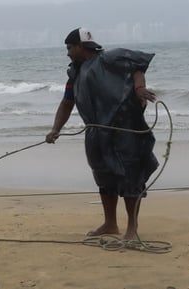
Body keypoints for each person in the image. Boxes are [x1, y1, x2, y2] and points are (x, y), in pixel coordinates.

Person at [46, 27, 158, 241]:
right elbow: (67, 102)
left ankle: (132, 228)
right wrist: (55, 129)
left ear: (82, 46)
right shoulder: (75, 72)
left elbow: (137, 66)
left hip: (123, 128)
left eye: (70, 47)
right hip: (95, 132)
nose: (68, 52)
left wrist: (138, 89)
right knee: (103, 177)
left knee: (129, 177)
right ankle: (110, 223)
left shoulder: (110, 58)